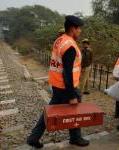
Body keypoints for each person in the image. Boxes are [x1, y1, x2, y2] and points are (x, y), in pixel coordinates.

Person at [27, 15, 89, 148]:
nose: (80, 31)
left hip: (56, 84)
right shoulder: (70, 46)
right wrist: (72, 95)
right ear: (73, 28)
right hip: (66, 87)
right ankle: (76, 138)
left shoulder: (59, 40)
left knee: (49, 111)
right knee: (74, 112)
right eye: (79, 29)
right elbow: (67, 72)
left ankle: (34, 137)